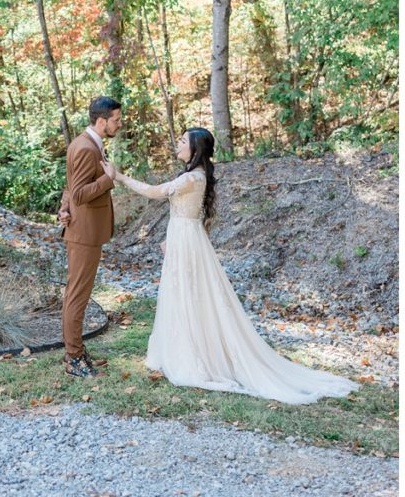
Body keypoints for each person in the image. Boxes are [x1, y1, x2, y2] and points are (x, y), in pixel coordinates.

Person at [105, 127, 357, 404]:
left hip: (187, 241)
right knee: (181, 294)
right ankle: (180, 349)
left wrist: (118, 175)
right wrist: (169, 239)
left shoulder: (192, 177)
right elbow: (182, 211)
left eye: (182, 141)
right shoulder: (193, 176)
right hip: (183, 237)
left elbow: (154, 192)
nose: (177, 144)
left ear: (196, 149)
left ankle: (196, 356)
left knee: (191, 295)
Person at [57, 96, 122, 378]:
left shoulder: (86, 142)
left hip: (85, 231)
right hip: (83, 235)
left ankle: (77, 350)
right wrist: (109, 179)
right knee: (77, 297)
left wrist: (63, 206)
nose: (119, 124)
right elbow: (82, 193)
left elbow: (72, 186)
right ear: (101, 121)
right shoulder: (85, 147)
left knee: (77, 295)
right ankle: (73, 359)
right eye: (116, 120)